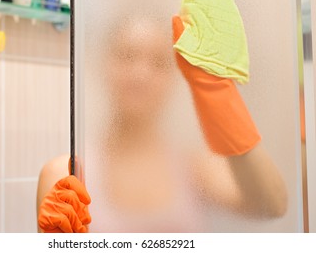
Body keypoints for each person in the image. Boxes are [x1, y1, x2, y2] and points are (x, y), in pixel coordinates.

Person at [36, 13, 288, 233]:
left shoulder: (195, 169)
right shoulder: (66, 175)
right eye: (127, 56)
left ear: (175, 76)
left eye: (158, 62)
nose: (140, 74)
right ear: (103, 64)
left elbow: (271, 206)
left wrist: (223, 102)